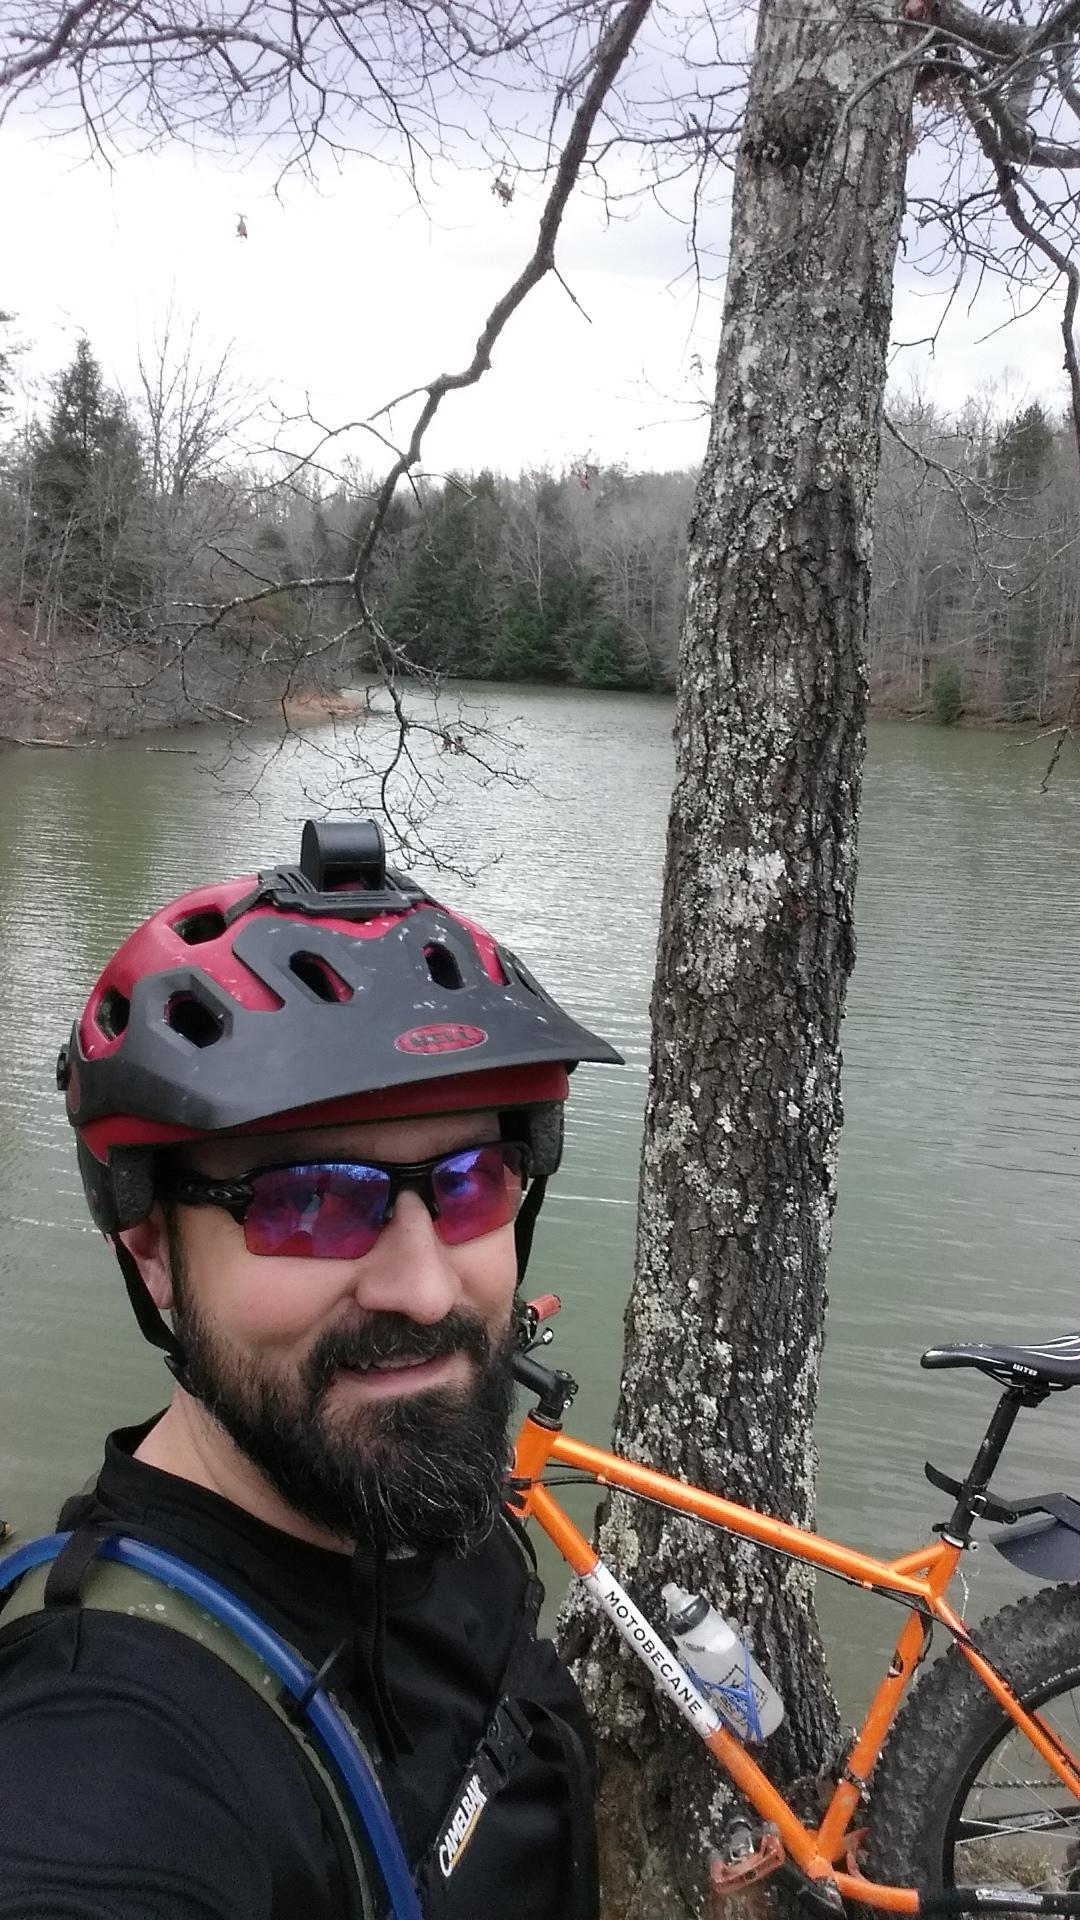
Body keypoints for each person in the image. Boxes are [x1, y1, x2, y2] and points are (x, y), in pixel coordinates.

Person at [0, 818, 621, 1919]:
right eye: (312, 1202)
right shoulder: (109, 1744)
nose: (426, 1292)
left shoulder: (419, 1501)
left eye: (475, 1181)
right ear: (150, 1250)